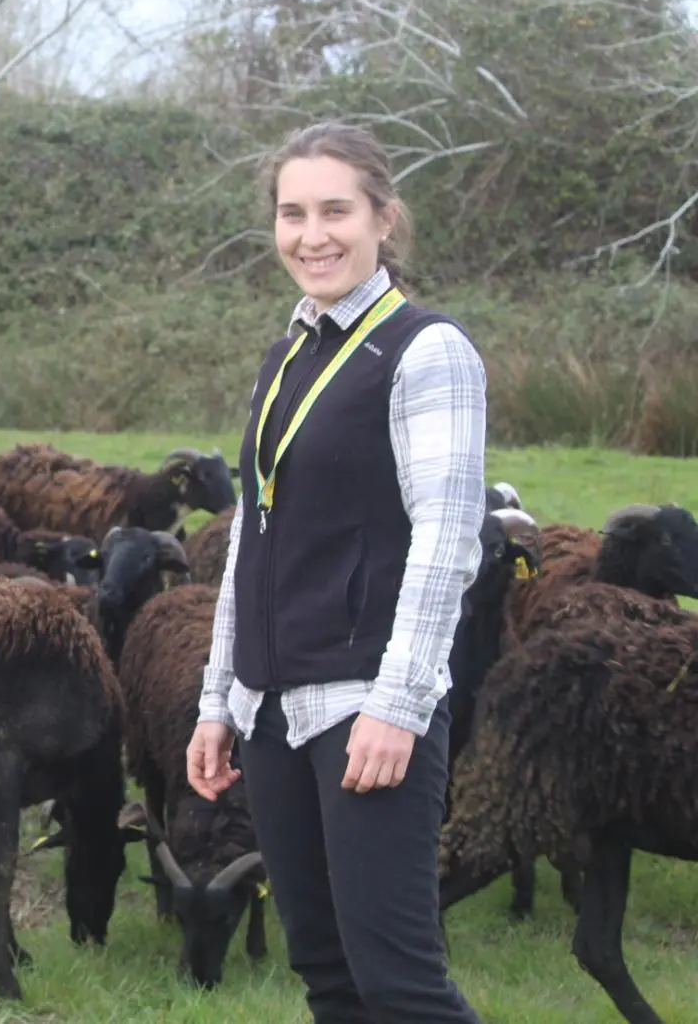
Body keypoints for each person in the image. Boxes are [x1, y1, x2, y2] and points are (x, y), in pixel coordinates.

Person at [186, 120, 487, 1023]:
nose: (311, 234)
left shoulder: (427, 351)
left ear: (383, 218)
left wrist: (399, 704)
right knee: (324, 972)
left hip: (365, 707)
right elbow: (254, 536)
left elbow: (448, 537)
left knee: (399, 985)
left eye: (334, 211)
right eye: (291, 213)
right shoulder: (286, 356)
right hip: (273, 710)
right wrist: (218, 698)